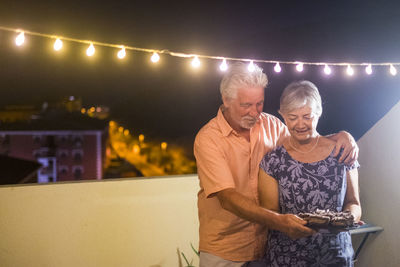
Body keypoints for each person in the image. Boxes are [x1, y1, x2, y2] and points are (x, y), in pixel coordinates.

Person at [194, 62, 359, 267]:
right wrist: (280, 221)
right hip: (226, 249)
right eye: (246, 105)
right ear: (226, 100)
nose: (254, 113)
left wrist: (342, 136)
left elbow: (304, 139)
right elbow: (228, 199)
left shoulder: (271, 124)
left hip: (265, 245)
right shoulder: (208, 138)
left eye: (259, 103)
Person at [258, 80, 362, 266]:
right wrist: (284, 223)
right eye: (292, 117)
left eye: (307, 116)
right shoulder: (273, 161)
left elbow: (353, 203)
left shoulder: (342, 151)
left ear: (319, 112)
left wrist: (349, 218)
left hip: (336, 254)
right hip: (288, 256)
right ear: (282, 115)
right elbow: (270, 214)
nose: (300, 124)